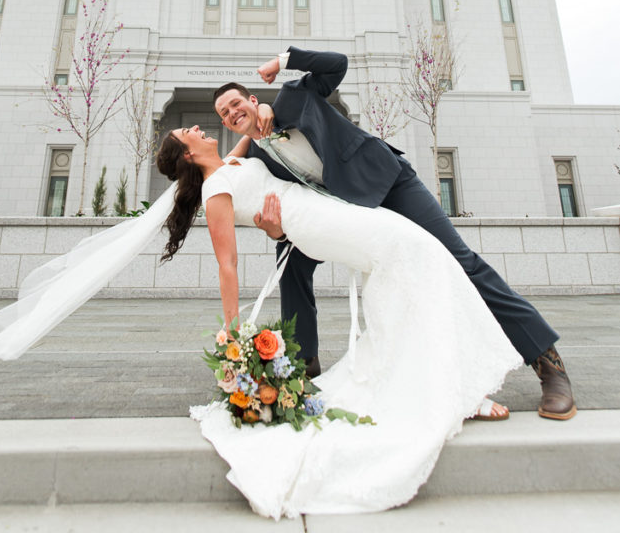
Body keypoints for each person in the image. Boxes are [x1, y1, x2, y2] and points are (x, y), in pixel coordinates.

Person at [156, 124, 522, 518]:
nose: (198, 127)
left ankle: (442, 379)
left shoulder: (228, 163)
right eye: (188, 131)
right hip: (312, 222)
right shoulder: (214, 189)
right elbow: (227, 263)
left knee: (407, 263)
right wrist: (233, 331)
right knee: (416, 250)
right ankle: (450, 390)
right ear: (188, 155)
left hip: (320, 204)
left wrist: (252, 118)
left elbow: (247, 136)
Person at [213, 46, 576, 422]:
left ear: (252, 100)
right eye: (224, 113)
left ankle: (548, 364)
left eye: (236, 103)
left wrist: (284, 61)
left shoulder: (292, 97)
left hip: (386, 182)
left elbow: (338, 66)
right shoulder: (255, 158)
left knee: (460, 262)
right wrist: (276, 232)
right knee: (290, 263)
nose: (232, 112)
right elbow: (269, 195)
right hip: (345, 213)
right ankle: (302, 369)